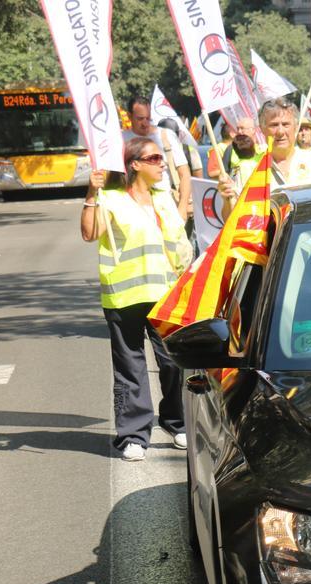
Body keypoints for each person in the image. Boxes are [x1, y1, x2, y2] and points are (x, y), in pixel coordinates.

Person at [79, 137, 188, 461]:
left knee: (172, 362)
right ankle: (133, 435)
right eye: (154, 158)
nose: (160, 163)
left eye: (160, 158)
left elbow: (178, 233)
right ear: (134, 164)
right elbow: (89, 233)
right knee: (130, 367)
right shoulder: (110, 198)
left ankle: (175, 421)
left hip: (165, 294)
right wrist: (90, 194)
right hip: (124, 295)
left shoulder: (163, 197)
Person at [218, 98, 311, 217]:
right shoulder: (248, 169)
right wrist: (227, 201)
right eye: (273, 125)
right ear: (262, 129)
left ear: (295, 127)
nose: (280, 131)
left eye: (285, 124)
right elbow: (231, 220)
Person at [123, 95, 191, 220]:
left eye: (148, 118)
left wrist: (182, 207)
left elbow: (185, 174)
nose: (145, 123)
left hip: (166, 206)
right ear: (129, 116)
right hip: (133, 208)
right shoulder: (121, 139)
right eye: (140, 119)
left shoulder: (166, 135)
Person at [221, 117, 261, 183]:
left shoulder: (263, 148)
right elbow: (224, 173)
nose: (239, 132)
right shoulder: (231, 148)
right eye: (237, 129)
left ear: (253, 130)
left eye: (242, 128)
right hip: (237, 189)